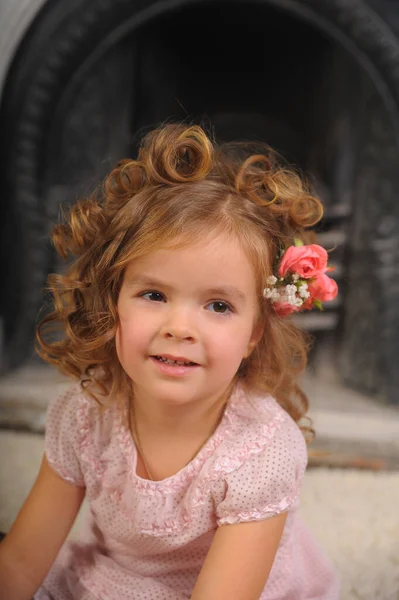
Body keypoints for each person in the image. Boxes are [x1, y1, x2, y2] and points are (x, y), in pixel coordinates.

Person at [0, 124, 340, 600]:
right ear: (112, 302)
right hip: (113, 580)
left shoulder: (263, 451)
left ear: (254, 333)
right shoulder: (83, 417)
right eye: (154, 294)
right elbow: (18, 565)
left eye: (218, 306)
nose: (180, 328)